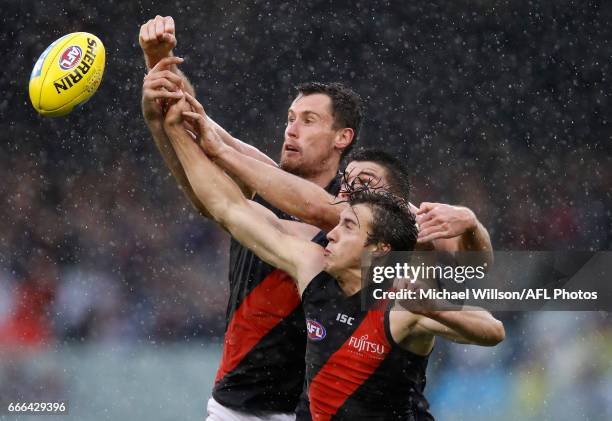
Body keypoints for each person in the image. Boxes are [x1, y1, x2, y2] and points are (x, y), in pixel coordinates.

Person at [139, 16, 494, 420]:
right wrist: (158, 72)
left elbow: (472, 273)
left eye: (308, 121)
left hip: (315, 408)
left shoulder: (368, 211)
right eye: (290, 118)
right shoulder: (262, 179)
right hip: (239, 403)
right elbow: (206, 160)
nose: (291, 130)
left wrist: (472, 225)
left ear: (343, 138)